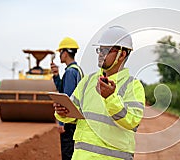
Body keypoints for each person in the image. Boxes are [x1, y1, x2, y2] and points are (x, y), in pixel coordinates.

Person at [54, 26, 145, 160]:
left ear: (122, 54)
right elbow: (73, 115)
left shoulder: (132, 86)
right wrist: (62, 112)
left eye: (106, 50)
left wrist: (110, 98)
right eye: (100, 49)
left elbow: (132, 121)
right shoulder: (88, 81)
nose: (101, 53)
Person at [51, 37, 84, 160]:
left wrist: (62, 122)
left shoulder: (70, 72)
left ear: (65, 53)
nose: (60, 55)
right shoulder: (77, 70)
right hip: (76, 122)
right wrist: (56, 76)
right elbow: (64, 89)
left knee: (68, 155)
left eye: (60, 52)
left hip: (70, 123)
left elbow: (66, 100)